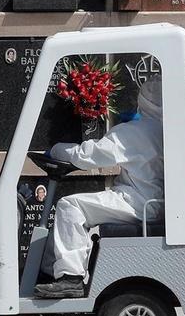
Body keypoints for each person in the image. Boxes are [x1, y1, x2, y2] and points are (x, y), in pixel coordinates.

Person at [35, 77, 164, 298]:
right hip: (156, 203)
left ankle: (70, 277)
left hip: (137, 202)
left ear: (143, 101)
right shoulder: (167, 130)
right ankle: (49, 272)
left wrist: (55, 150)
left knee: (70, 206)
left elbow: (88, 156)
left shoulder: (134, 132)